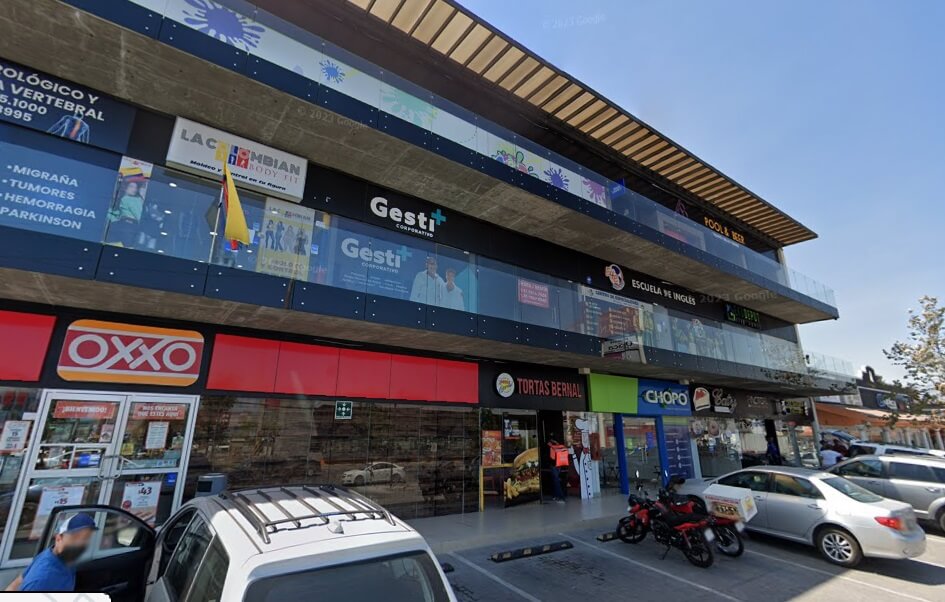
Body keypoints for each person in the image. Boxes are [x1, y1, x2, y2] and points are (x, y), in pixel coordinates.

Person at [6, 513, 97, 592]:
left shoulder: (58, 556)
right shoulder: (42, 581)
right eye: (75, 537)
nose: (80, 543)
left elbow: (18, 582)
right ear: (59, 538)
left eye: (86, 538)